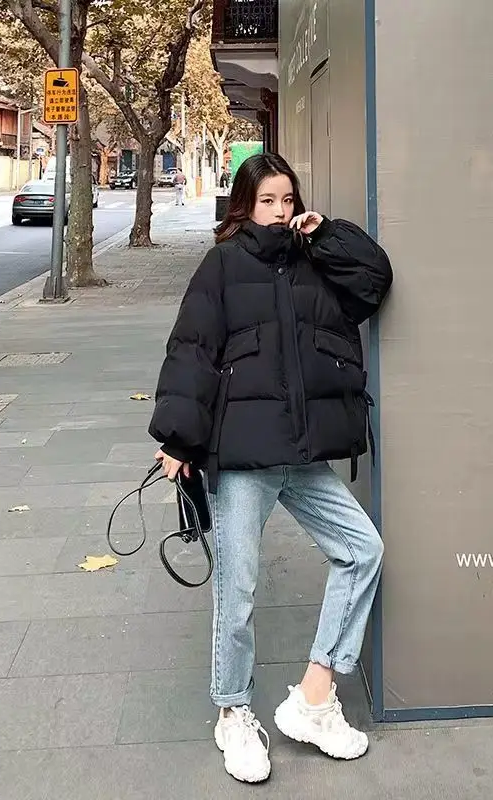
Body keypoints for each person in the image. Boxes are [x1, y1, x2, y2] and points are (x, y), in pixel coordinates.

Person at [148, 153, 393, 783]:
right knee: (237, 592)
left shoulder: (315, 259)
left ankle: (314, 696)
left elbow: (374, 281)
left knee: (362, 550)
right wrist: (177, 437)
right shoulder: (223, 265)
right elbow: (193, 349)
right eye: (267, 201)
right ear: (244, 206)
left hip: (301, 452)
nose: (280, 212)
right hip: (244, 456)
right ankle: (232, 713)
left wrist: (326, 234)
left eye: (287, 200)